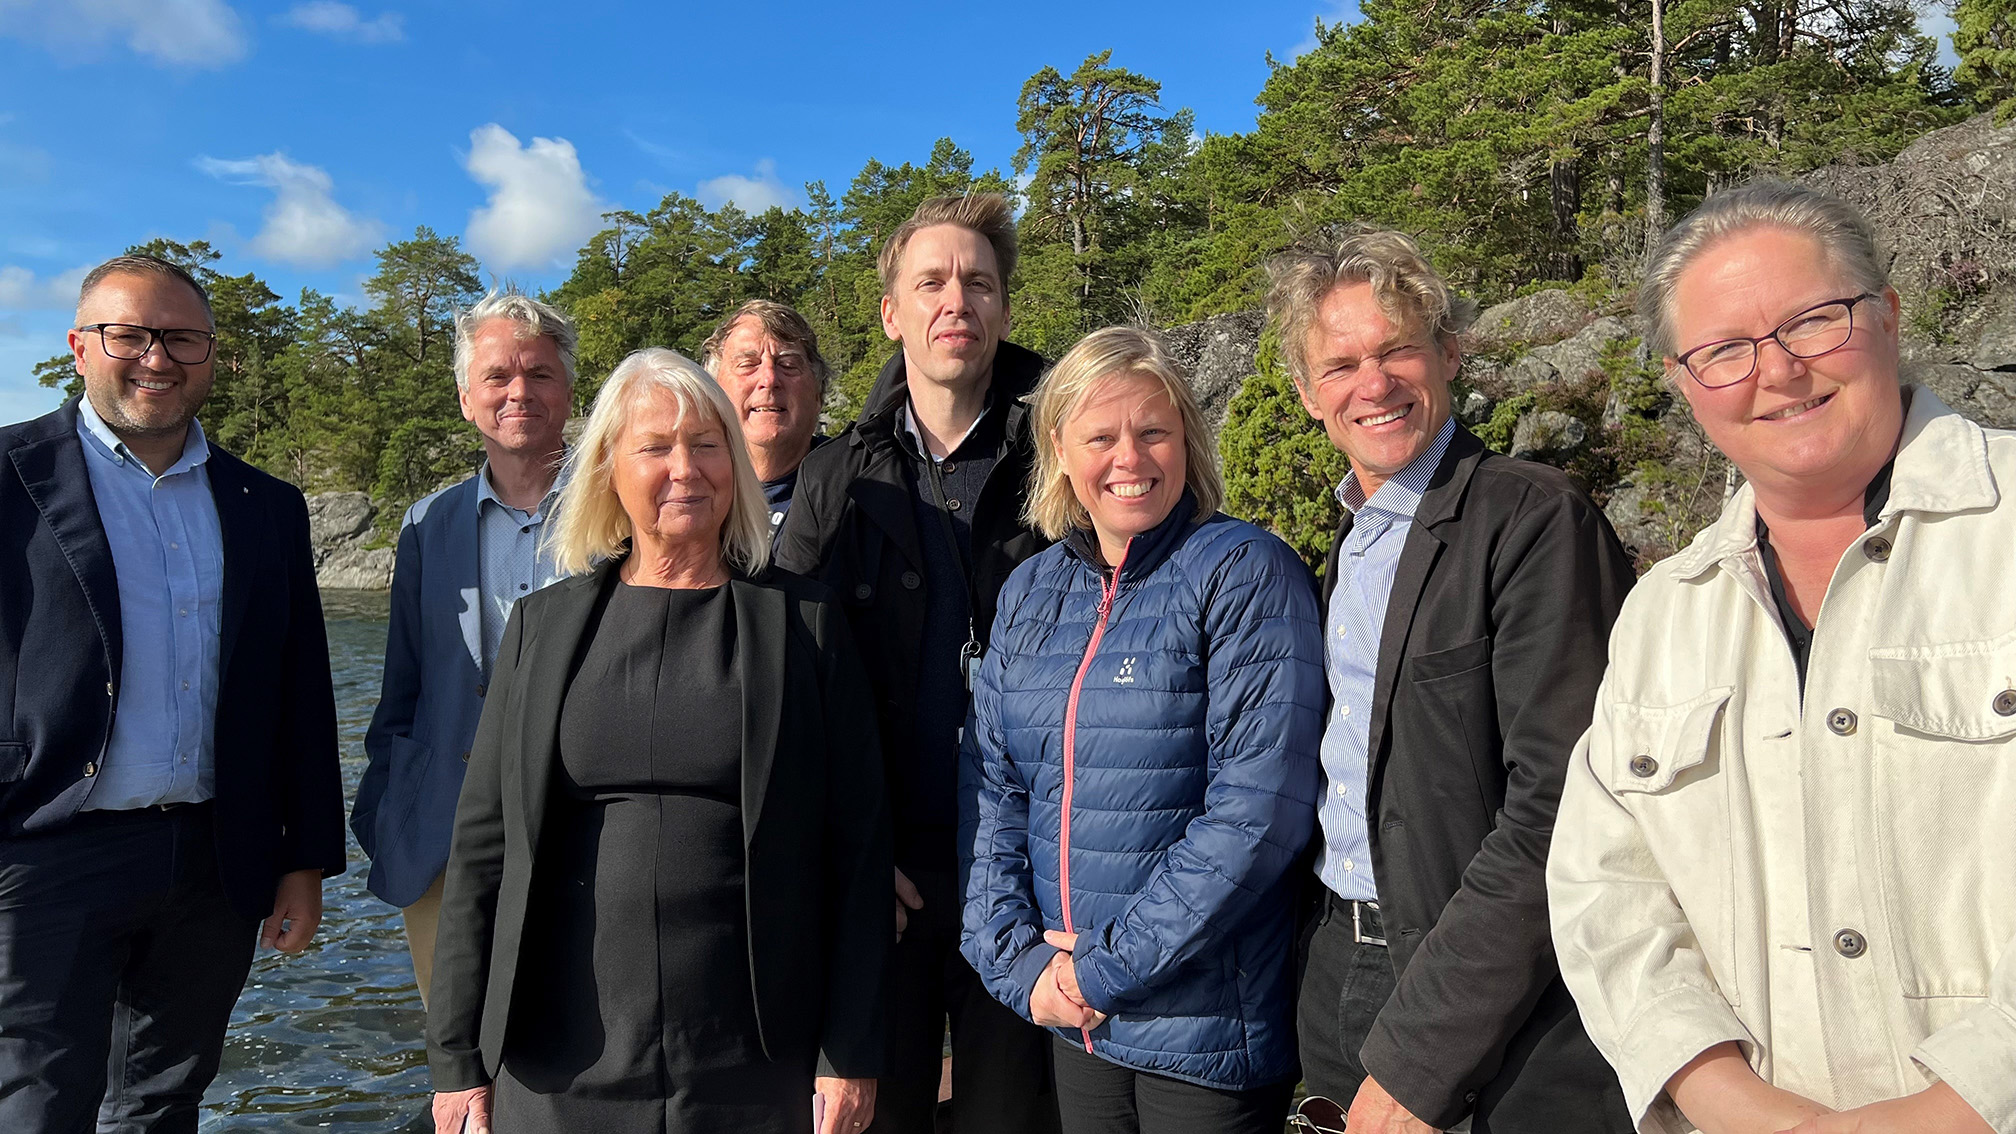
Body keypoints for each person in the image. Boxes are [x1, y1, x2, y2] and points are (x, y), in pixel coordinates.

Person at [1548, 180, 2011, 1134]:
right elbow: (1607, 891)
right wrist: (1742, 1107)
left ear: (1886, 315)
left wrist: (1956, 1105)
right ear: (1683, 382)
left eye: (1813, 321)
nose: (1780, 372)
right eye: (1724, 350)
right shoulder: (1662, 613)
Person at [426, 347, 891, 1134]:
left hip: (757, 1057)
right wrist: (456, 1060)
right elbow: (483, 849)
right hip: (555, 1058)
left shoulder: (804, 625)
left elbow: (858, 855)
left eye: (707, 444)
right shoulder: (542, 629)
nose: (686, 468)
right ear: (610, 468)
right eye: (655, 447)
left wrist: (848, 1051)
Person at [1266, 227, 1637, 1133]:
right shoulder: (1353, 541)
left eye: (1397, 349)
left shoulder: (1533, 521)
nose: (1374, 384)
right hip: (1339, 964)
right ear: (1309, 394)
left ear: (1449, 354)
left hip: (1487, 1003)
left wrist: (1422, 1054)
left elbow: (1564, 809)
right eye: (1341, 365)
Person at [0, 253, 345, 1131]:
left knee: (163, 1105)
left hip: (212, 859)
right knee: (37, 1105)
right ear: (80, 346)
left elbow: (300, 693)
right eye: (130, 335)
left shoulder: (267, 504)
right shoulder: (8, 475)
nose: (157, 358)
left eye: (183, 339)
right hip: (42, 852)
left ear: (211, 354)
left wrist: (304, 859)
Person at [959, 326, 1324, 1134]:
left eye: (1153, 431)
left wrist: (1102, 971)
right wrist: (1017, 965)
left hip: (1205, 1030)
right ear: (1060, 451)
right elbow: (994, 792)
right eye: (1101, 437)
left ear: (1186, 438)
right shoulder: (1030, 592)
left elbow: (1257, 815)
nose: (1129, 457)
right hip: (1076, 1022)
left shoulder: (1243, 572)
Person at [776, 193, 1060, 1134]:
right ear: (892, 313)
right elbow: (791, 685)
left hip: (1029, 872)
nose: (956, 301)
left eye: (978, 282)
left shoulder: (1064, 456)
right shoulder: (834, 476)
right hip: (885, 876)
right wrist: (848, 856)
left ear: (1004, 309)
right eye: (931, 282)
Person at [351, 289, 575, 1012]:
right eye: (497, 376)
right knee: (457, 1053)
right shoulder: (426, 524)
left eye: (539, 373)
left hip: (586, 834)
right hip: (442, 841)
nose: (518, 392)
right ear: (465, 398)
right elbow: (404, 687)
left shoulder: (623, 508)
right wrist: (385, 815)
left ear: (569, 391)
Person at [700, 299, 831, 540]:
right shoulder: (689, 489)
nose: (769, 379)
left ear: (818, 394)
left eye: (788, 365)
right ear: (713, 394)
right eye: (748, 365)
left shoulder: (855, 489)